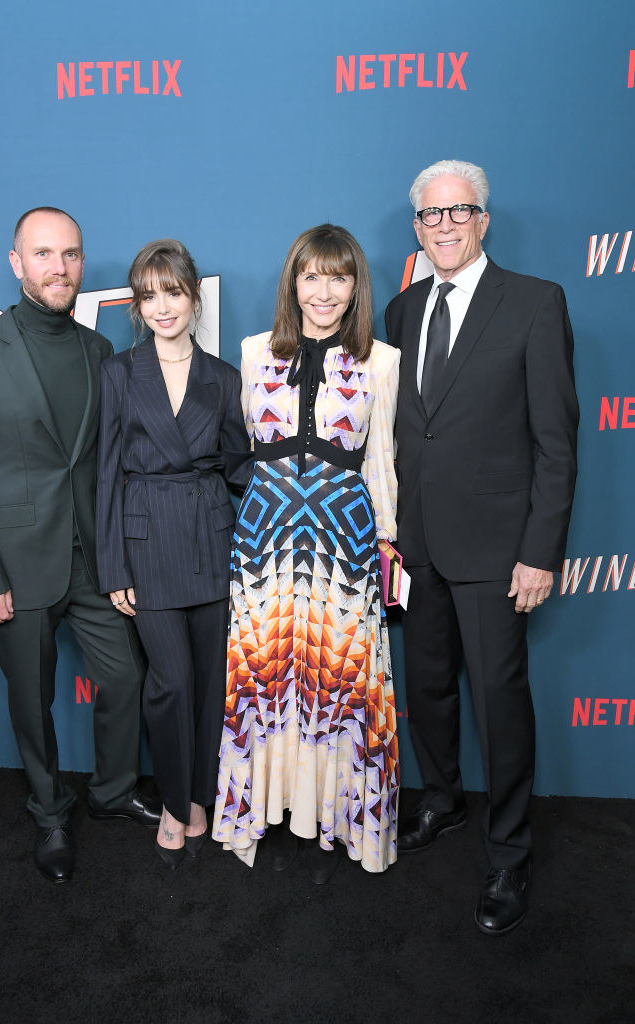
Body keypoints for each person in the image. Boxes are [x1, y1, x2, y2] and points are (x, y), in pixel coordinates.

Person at [0, 207, 160, 885]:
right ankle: (50, 812)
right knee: (31, 701)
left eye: (69, 255)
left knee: (124, 677)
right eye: (43, 254)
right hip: (15, 565)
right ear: (16, 263)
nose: (58, 267)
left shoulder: (97, 352)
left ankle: (113, 791)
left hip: (91, 560)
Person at [385, 160, 578, 934]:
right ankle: (441, 801)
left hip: (500, 551)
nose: (445, 226)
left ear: (484, 219)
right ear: (416, 228)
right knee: (427, 689)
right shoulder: (398, 312)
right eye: (431, 216)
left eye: (459, 211)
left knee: (498, 703)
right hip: (417, 545)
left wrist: (539, 551)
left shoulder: (534, 303)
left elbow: (555, 445)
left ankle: (508, 852)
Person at [212, 224, 400, 883]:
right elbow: (238, 452)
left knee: (341, 679)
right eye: (311, 276)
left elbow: (380, 463)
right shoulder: (252, 353)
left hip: (343, 540)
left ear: (355, 286)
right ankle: (260, 812)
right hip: (264, 540)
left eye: (338, 277)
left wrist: (386, 545)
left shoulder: (381, 359)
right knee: (263, 680)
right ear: (292, 283)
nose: (323, 291)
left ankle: (341, 818)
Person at [96, 239, 253, 870]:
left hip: (212, 539)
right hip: (145, 542)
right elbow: (106, 475)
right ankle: (173, 801)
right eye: (149, 295)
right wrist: (113, 567)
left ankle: (206, 796)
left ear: (194, 296)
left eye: (174, 292)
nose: (163, 306)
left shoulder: (224, 376)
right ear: (137, 304)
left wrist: (262, 546)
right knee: (170, 683)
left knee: (212, 682)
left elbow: (241, 469)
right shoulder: (118, 372)